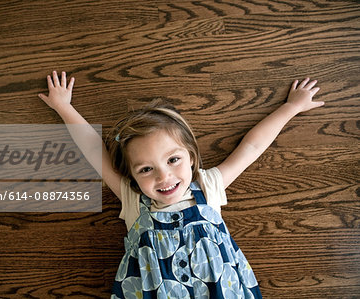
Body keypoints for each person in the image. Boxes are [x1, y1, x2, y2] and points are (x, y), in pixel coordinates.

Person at [38, 71, 323, 298]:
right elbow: (93, 151)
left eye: (173, 159)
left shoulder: (208, 185)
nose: (164, 177)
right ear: (132, 176)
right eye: (146, 169)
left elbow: (252, 146)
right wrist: (64, 107)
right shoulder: (133, 198)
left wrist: (291, 107)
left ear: (191, 157)